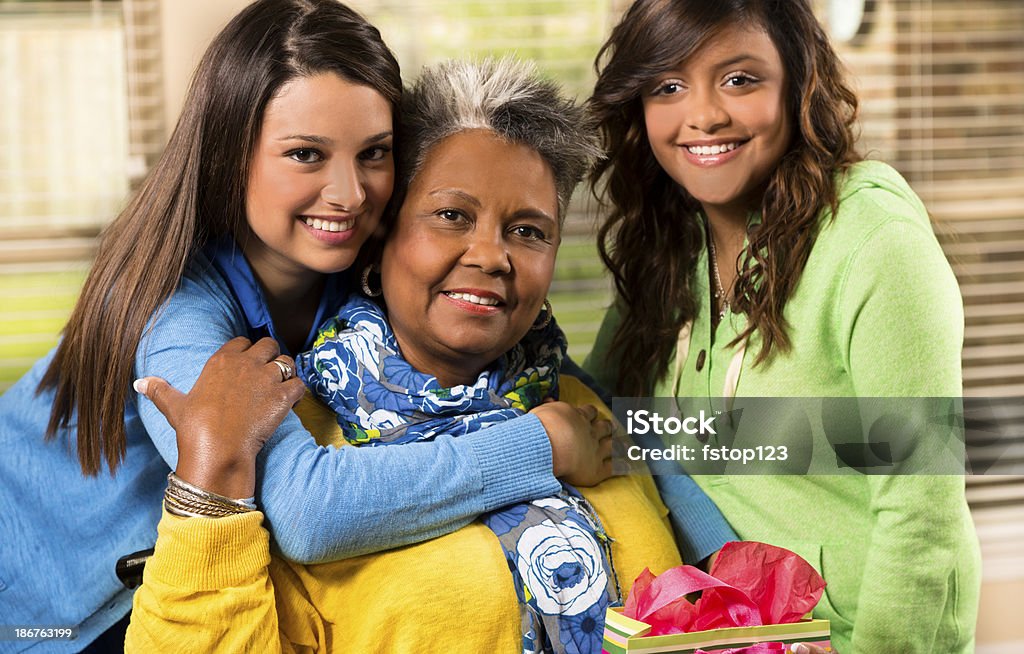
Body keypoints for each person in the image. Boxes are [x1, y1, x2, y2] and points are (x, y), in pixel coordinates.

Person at [0, 2, 634, 651]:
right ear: (231, 155)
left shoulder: (355, 265)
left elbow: (576, 399)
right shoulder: (178, 314)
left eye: (373, 154)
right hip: (60, 616)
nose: (350, 192)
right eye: (305, 154)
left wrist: (712, 462)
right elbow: (308, 513)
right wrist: (540, 448)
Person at [125, 57, 685, 654]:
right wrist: (541, 446)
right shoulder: (275, 430)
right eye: (451, 216)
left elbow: (701, 478)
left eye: (529, 231)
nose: (493, 256)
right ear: (378, 237)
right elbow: (306, 516)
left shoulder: (573, 401)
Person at [583, 0, 981, 652]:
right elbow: (596, 420)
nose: (704, 114)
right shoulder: (667, 250)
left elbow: (923, 520)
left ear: (798, 85)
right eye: (668, 86)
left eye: (740, 79)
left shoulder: (875, 242)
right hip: (720, 633)